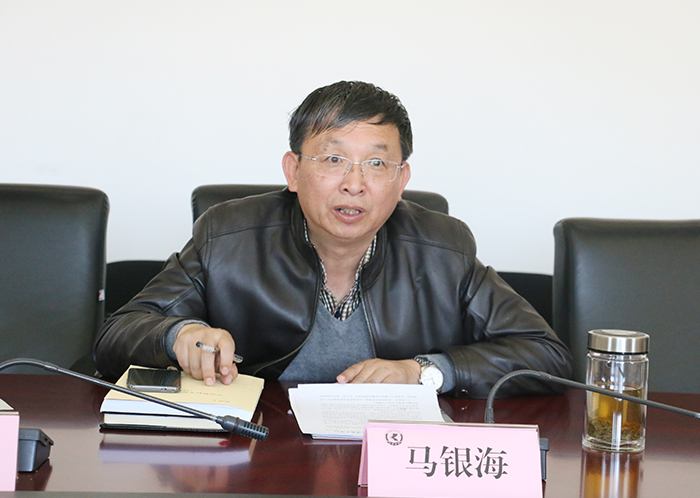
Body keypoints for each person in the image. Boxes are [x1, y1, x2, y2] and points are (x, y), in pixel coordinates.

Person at [94, 80, 572, 398]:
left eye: (377, 163)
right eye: (333, 159)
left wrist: (422, 371)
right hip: (260, 451)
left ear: (401, 180)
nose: (354, 183)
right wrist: (179, 335)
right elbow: (117, 333)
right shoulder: (228, 236)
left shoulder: (443, 248)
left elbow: (545, 355)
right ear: (293, 171)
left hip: (392, 455)